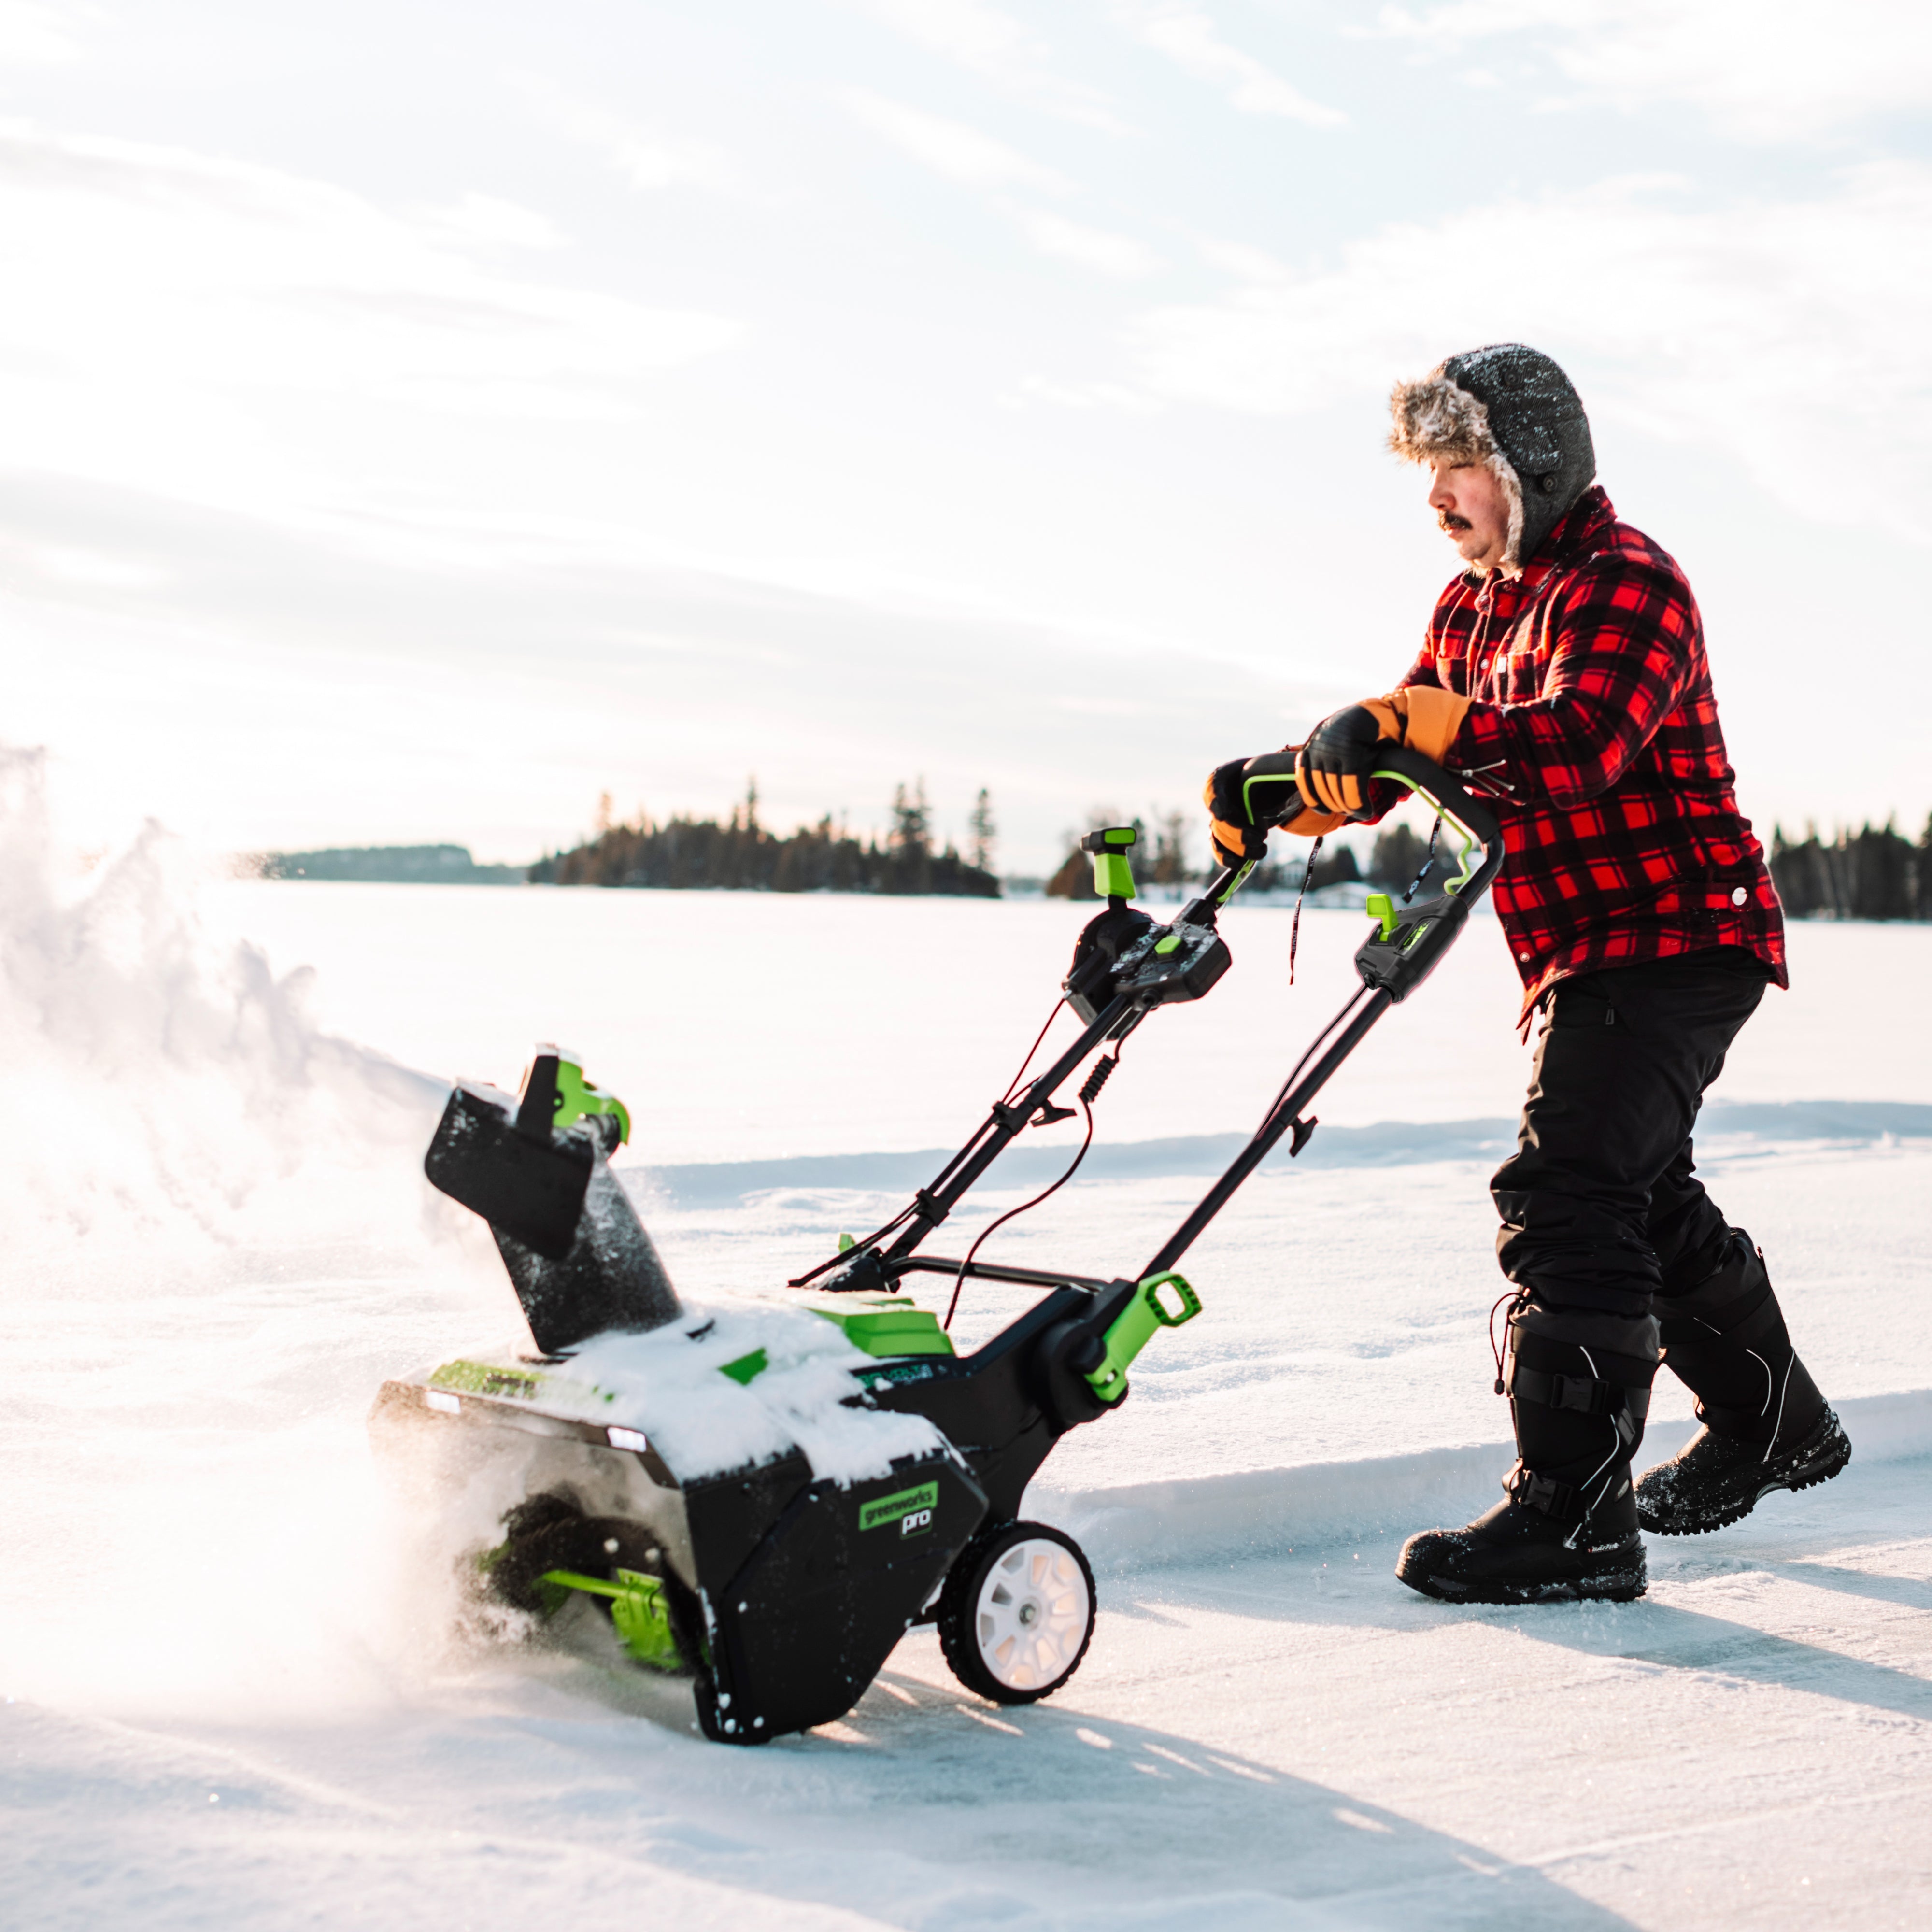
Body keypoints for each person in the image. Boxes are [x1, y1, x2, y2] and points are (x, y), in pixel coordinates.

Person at [1204, 343, 1849, 1605]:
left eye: (1459, 467)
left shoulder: (1630, 584)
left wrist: (1413, 731)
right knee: (1637, 1194)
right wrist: (1280, 789)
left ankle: (1575, 1520)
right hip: (1577, 943)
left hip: (1679, 931)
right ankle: (1777, 1423)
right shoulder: (1473, 608)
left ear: (1528, 467)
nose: (1438, 498)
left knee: (1567, 1193)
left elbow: (1578, 747)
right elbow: (1406, 748)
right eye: (1430, 472)